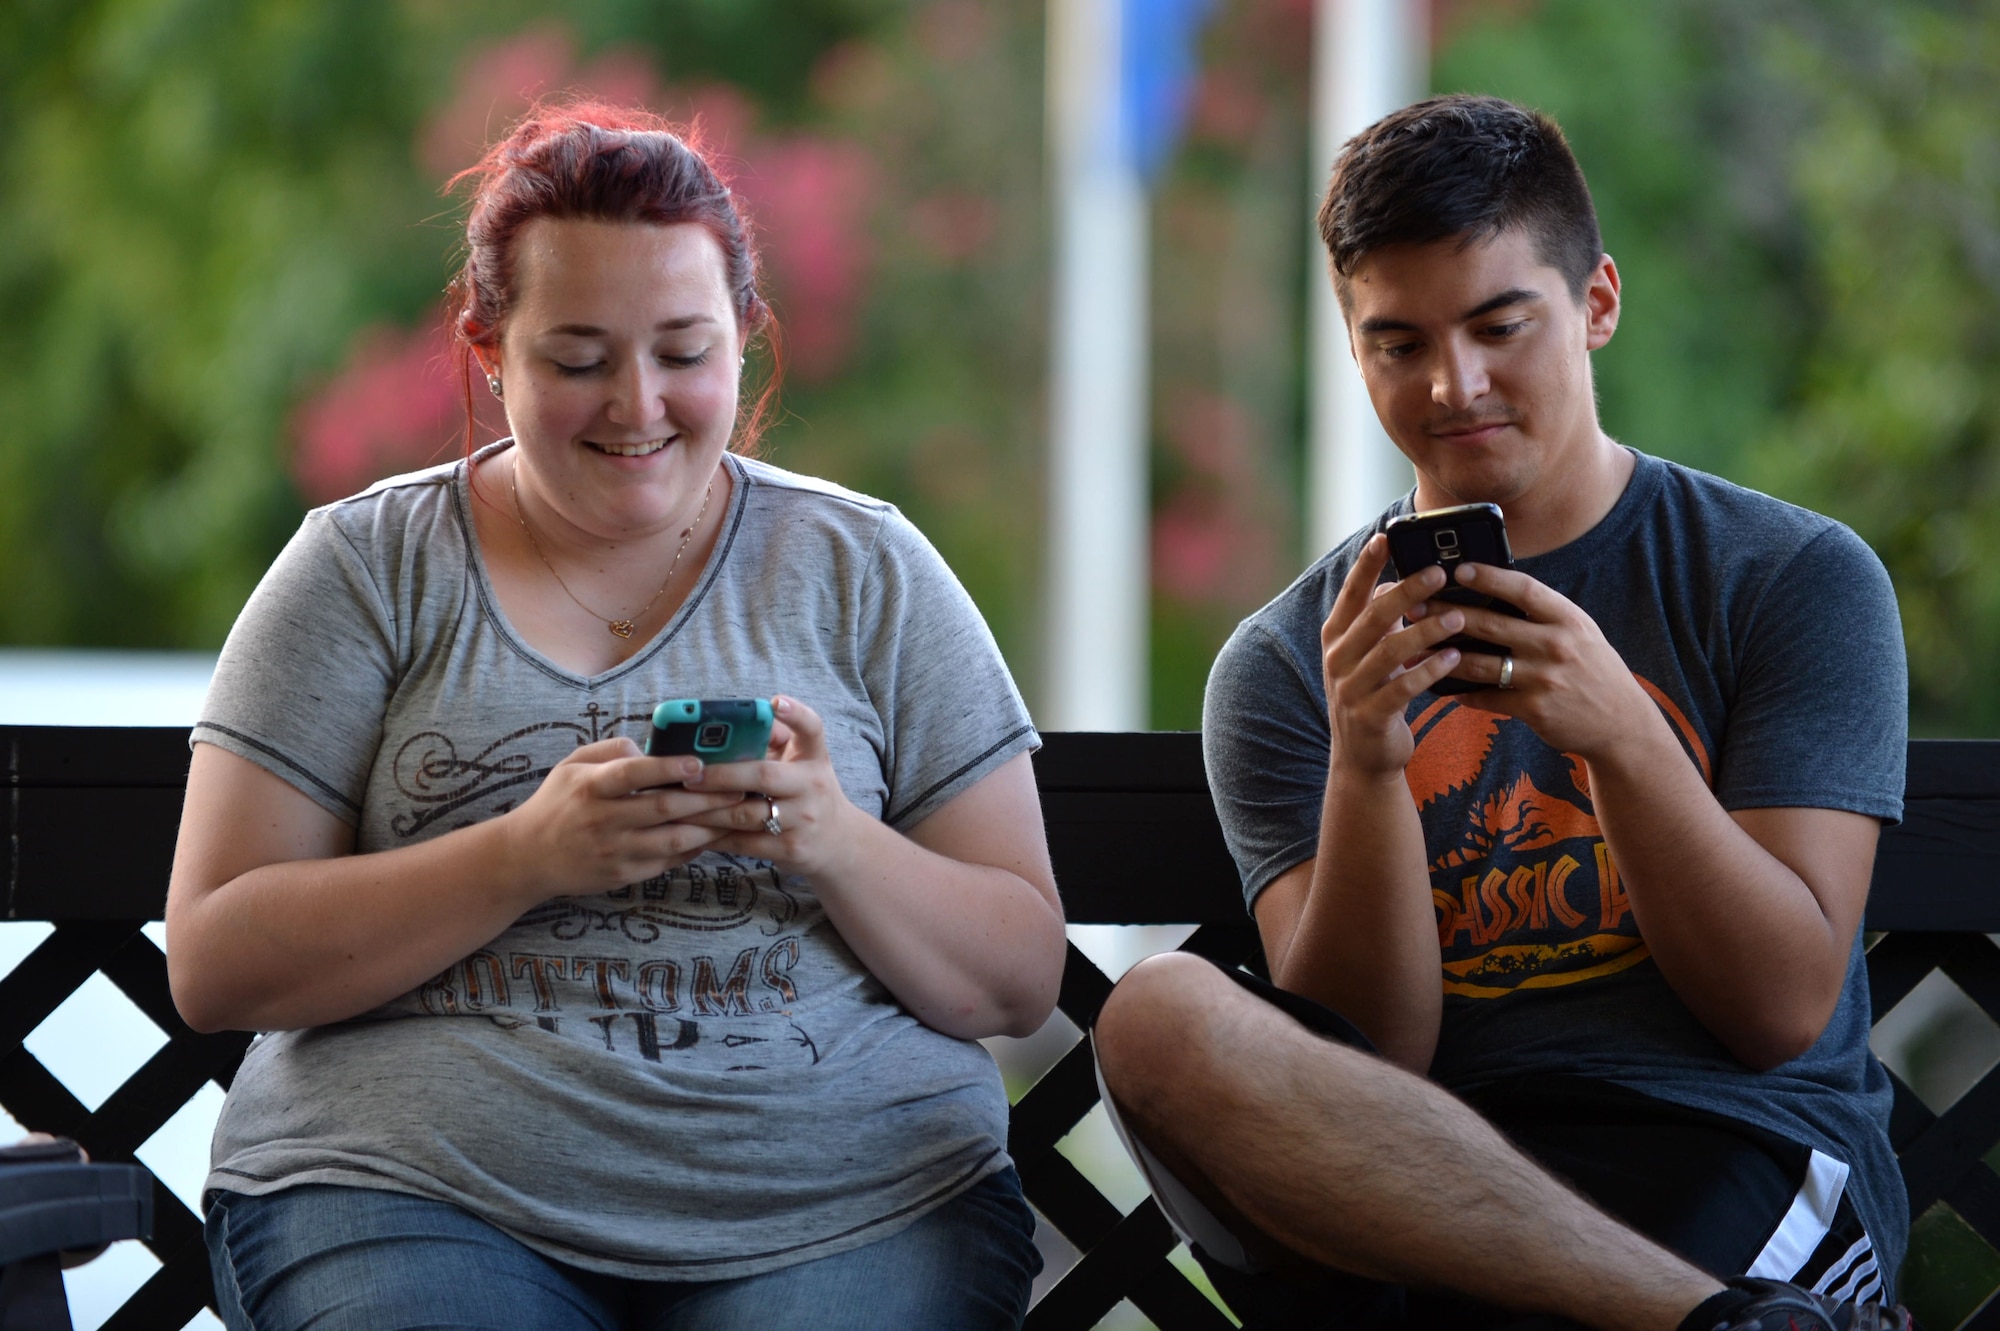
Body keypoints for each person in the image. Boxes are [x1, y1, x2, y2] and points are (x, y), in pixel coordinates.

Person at [165, 100, 1064, 1331]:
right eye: (578, 359)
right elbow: (214, 957)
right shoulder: (366, 564)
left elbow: (1017, 975)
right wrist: (525, 854)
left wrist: (832, 838)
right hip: (408, 1195)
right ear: (488, 346)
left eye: (683, 352)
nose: (635, 405)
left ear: (745, 336)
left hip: (853, 1207)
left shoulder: (868, 567)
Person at [1092, 94, 1912, 1331]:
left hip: (1730, 1147)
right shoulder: (1283, 662)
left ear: (1595, 305)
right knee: (1155, 1010)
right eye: (1397, 342)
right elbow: (1370, 1057)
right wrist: (1367, 763)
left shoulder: (1785, 577)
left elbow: (1776, 1012)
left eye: (1495, 324)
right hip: (1428, 1178)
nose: (1449, 384)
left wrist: (1619, 735)